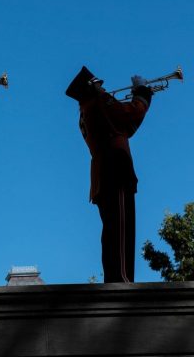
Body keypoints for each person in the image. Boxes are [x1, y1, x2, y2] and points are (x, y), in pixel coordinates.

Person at [65, 66, 152, 283]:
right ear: (91, 87)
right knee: (122, 231)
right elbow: (129, 115)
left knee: (113, 231)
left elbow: (123, 128)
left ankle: (116, 277)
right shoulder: (99, 102)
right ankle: (121, 279)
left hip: (103, 174)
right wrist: (142, 92)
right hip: (116, 168)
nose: (103, 88)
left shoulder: (86, 111)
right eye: (98, 85)